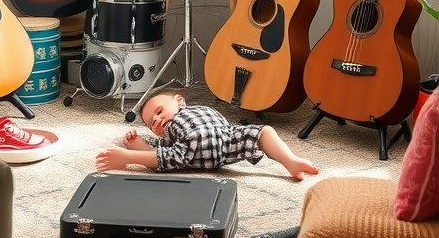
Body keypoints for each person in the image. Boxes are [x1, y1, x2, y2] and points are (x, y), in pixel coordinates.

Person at [94, 91, 319, 179]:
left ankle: (290, 161)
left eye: (160, 112)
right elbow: (160, 152)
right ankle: (128, 156)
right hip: (189, 146)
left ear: (179, 100)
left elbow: (227, 126)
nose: (158, 120)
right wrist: (138, 142)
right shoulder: (171, 131)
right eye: (152, 123)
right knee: (166, 157)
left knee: (263, 131)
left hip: (227, 138)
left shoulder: (190, 109)